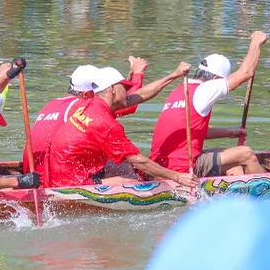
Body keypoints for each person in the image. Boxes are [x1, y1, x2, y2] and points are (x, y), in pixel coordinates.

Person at [43, 66, 199, 191]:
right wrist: (178, 177)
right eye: (124, 87)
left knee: (125, 165)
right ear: (112, 89)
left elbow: (140, 95)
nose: (127, 91)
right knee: (133, 181)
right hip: (71, 183)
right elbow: (139, 161)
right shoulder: (105, 123)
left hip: (60, 172)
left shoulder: (89, 103)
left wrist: (174, 75)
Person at [150, 32, 267, 178]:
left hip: (158, 166)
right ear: (216, 79)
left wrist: (230, 132)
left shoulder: (179, 90)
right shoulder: (205, 89)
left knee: (235, 164)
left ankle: (235, 191)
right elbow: (246, 72)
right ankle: (269, 191)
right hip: (183, 168)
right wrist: (255, 43)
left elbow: (194, 131)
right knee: (247, 154)